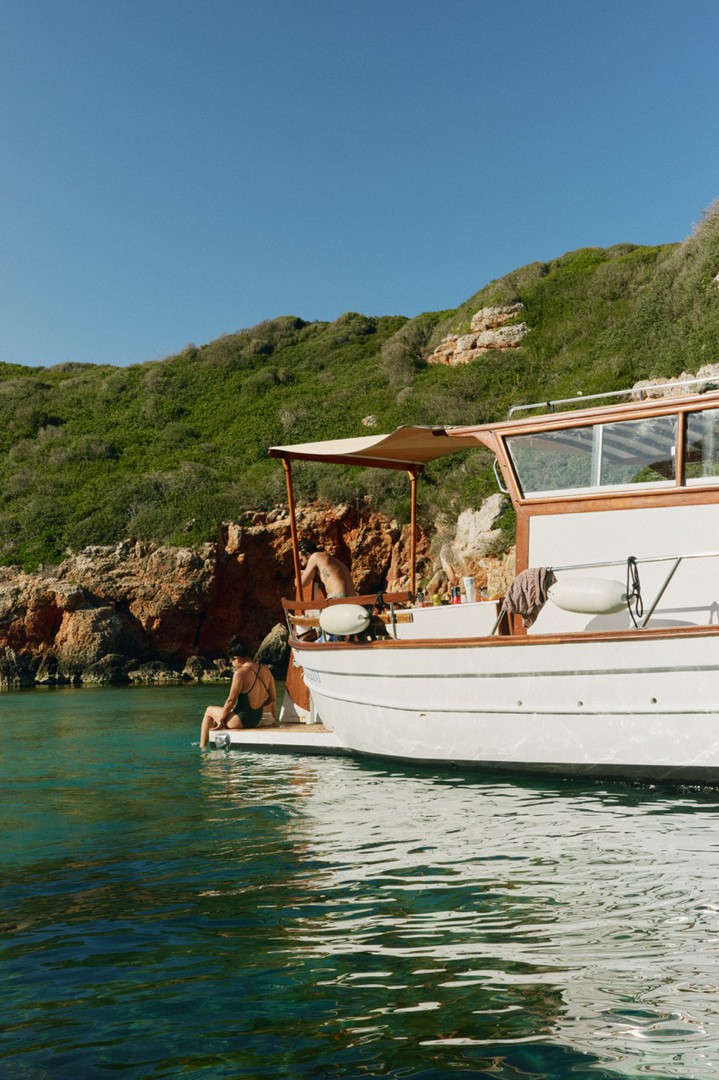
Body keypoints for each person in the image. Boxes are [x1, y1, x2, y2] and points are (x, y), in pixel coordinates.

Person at [199, 636, 277, 748]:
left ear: (236, 658)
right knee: (226, 712)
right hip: (256, 719)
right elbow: (273, 698)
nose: (233, 665)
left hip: (239, 721)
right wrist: (259, 705)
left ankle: (202, 749)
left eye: (231, 661)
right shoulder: (266, 671)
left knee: (209, 711)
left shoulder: (240, 673)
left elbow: (231, 700)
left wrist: (221, 721)